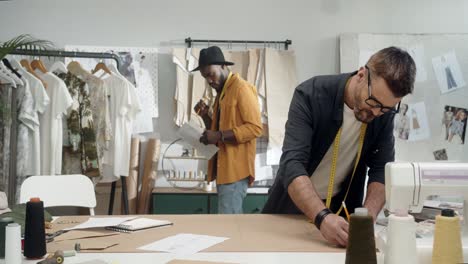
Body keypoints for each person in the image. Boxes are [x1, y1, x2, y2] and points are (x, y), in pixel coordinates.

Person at [262, 47, 416, 247]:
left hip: (340, 217)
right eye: (373, 101)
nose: (377, 113)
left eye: (386, 108)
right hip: (290, 211)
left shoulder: (382, 114)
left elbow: (381, 170)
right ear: (361, 75)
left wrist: (365, 220)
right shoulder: (310, 94)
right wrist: (322, 217)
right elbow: (292, 164)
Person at [192, 46, 262, 214]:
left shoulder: (241, 89)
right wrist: (205, 116)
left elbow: (255, 128)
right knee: (229, 224)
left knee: (229, 225)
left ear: (223, 66)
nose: (209, 80)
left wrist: (218, 135)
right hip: (224, 171)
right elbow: (218, 131)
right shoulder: (222, 94)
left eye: (210, 74)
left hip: (235, 172)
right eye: (204, 77)